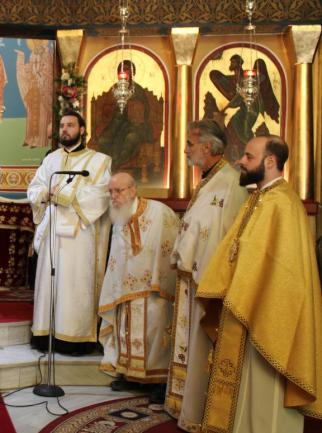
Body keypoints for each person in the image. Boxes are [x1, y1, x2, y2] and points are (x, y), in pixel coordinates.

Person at [196, 135, 322, 432]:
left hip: (268, 315)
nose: (240, 161)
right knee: (244, 389)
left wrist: (250, 296)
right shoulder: (258, 199)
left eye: (249, 157)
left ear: (270, 161)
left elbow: (286, 273)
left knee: (265, 392)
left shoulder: (283, 204)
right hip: (243, 306)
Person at [164, 119, 248, 431]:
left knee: (202, 348)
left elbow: (228, 237)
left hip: (208, 281)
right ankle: (186, 405)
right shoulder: (209, 180)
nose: (186, 150)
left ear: (208, 147)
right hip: (192, 278)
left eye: (190, 144)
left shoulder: (231, 183)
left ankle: (201, 411)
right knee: (189, 345)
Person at [27, 108, 111, 355]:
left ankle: (75, 338)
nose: (65, 129)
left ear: (82, 130)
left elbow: (101, 194)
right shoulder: (51, 159)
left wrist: (62, 194)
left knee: (75, 284)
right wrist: (45, 193)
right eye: (62, 125)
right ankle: (45, 334)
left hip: (80, 235)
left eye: (70, 125)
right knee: (49, 283)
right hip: (52, 230)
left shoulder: (99, 161)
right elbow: (35, 188)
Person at [98, 172, 179, 403]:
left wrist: (159, 280)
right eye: (111, 192)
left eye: (119, 191)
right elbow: (117, 256)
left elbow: (170, 245)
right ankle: (129, 375)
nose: (114, 196)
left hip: (154, 290)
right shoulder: (119, 217)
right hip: (125, 290)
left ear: (133, 190)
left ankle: (158, 381)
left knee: (155, 332)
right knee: (125, 332)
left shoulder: (160, 212)